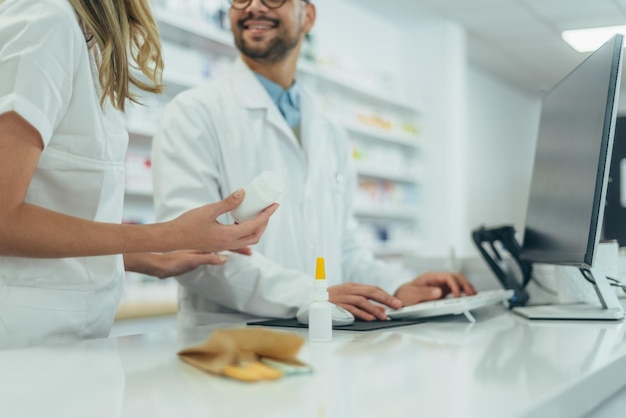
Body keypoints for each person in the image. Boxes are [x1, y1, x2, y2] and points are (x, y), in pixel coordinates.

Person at [152, 0, 476, 326]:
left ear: (307, 16)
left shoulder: (330, 132)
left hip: (328, 340)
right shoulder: (193, 113)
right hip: (233, 341)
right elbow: (191, 251)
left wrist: (397, 287)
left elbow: (344, 248)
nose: (253, 7)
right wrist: (311, 293)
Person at [0, 0, 278, 349]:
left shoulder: (87, 36)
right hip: (21, 343)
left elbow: (58, 208)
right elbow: (4, 220)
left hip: (71, 336)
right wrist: (165, 236)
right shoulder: (46, 20)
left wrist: (145, 259)